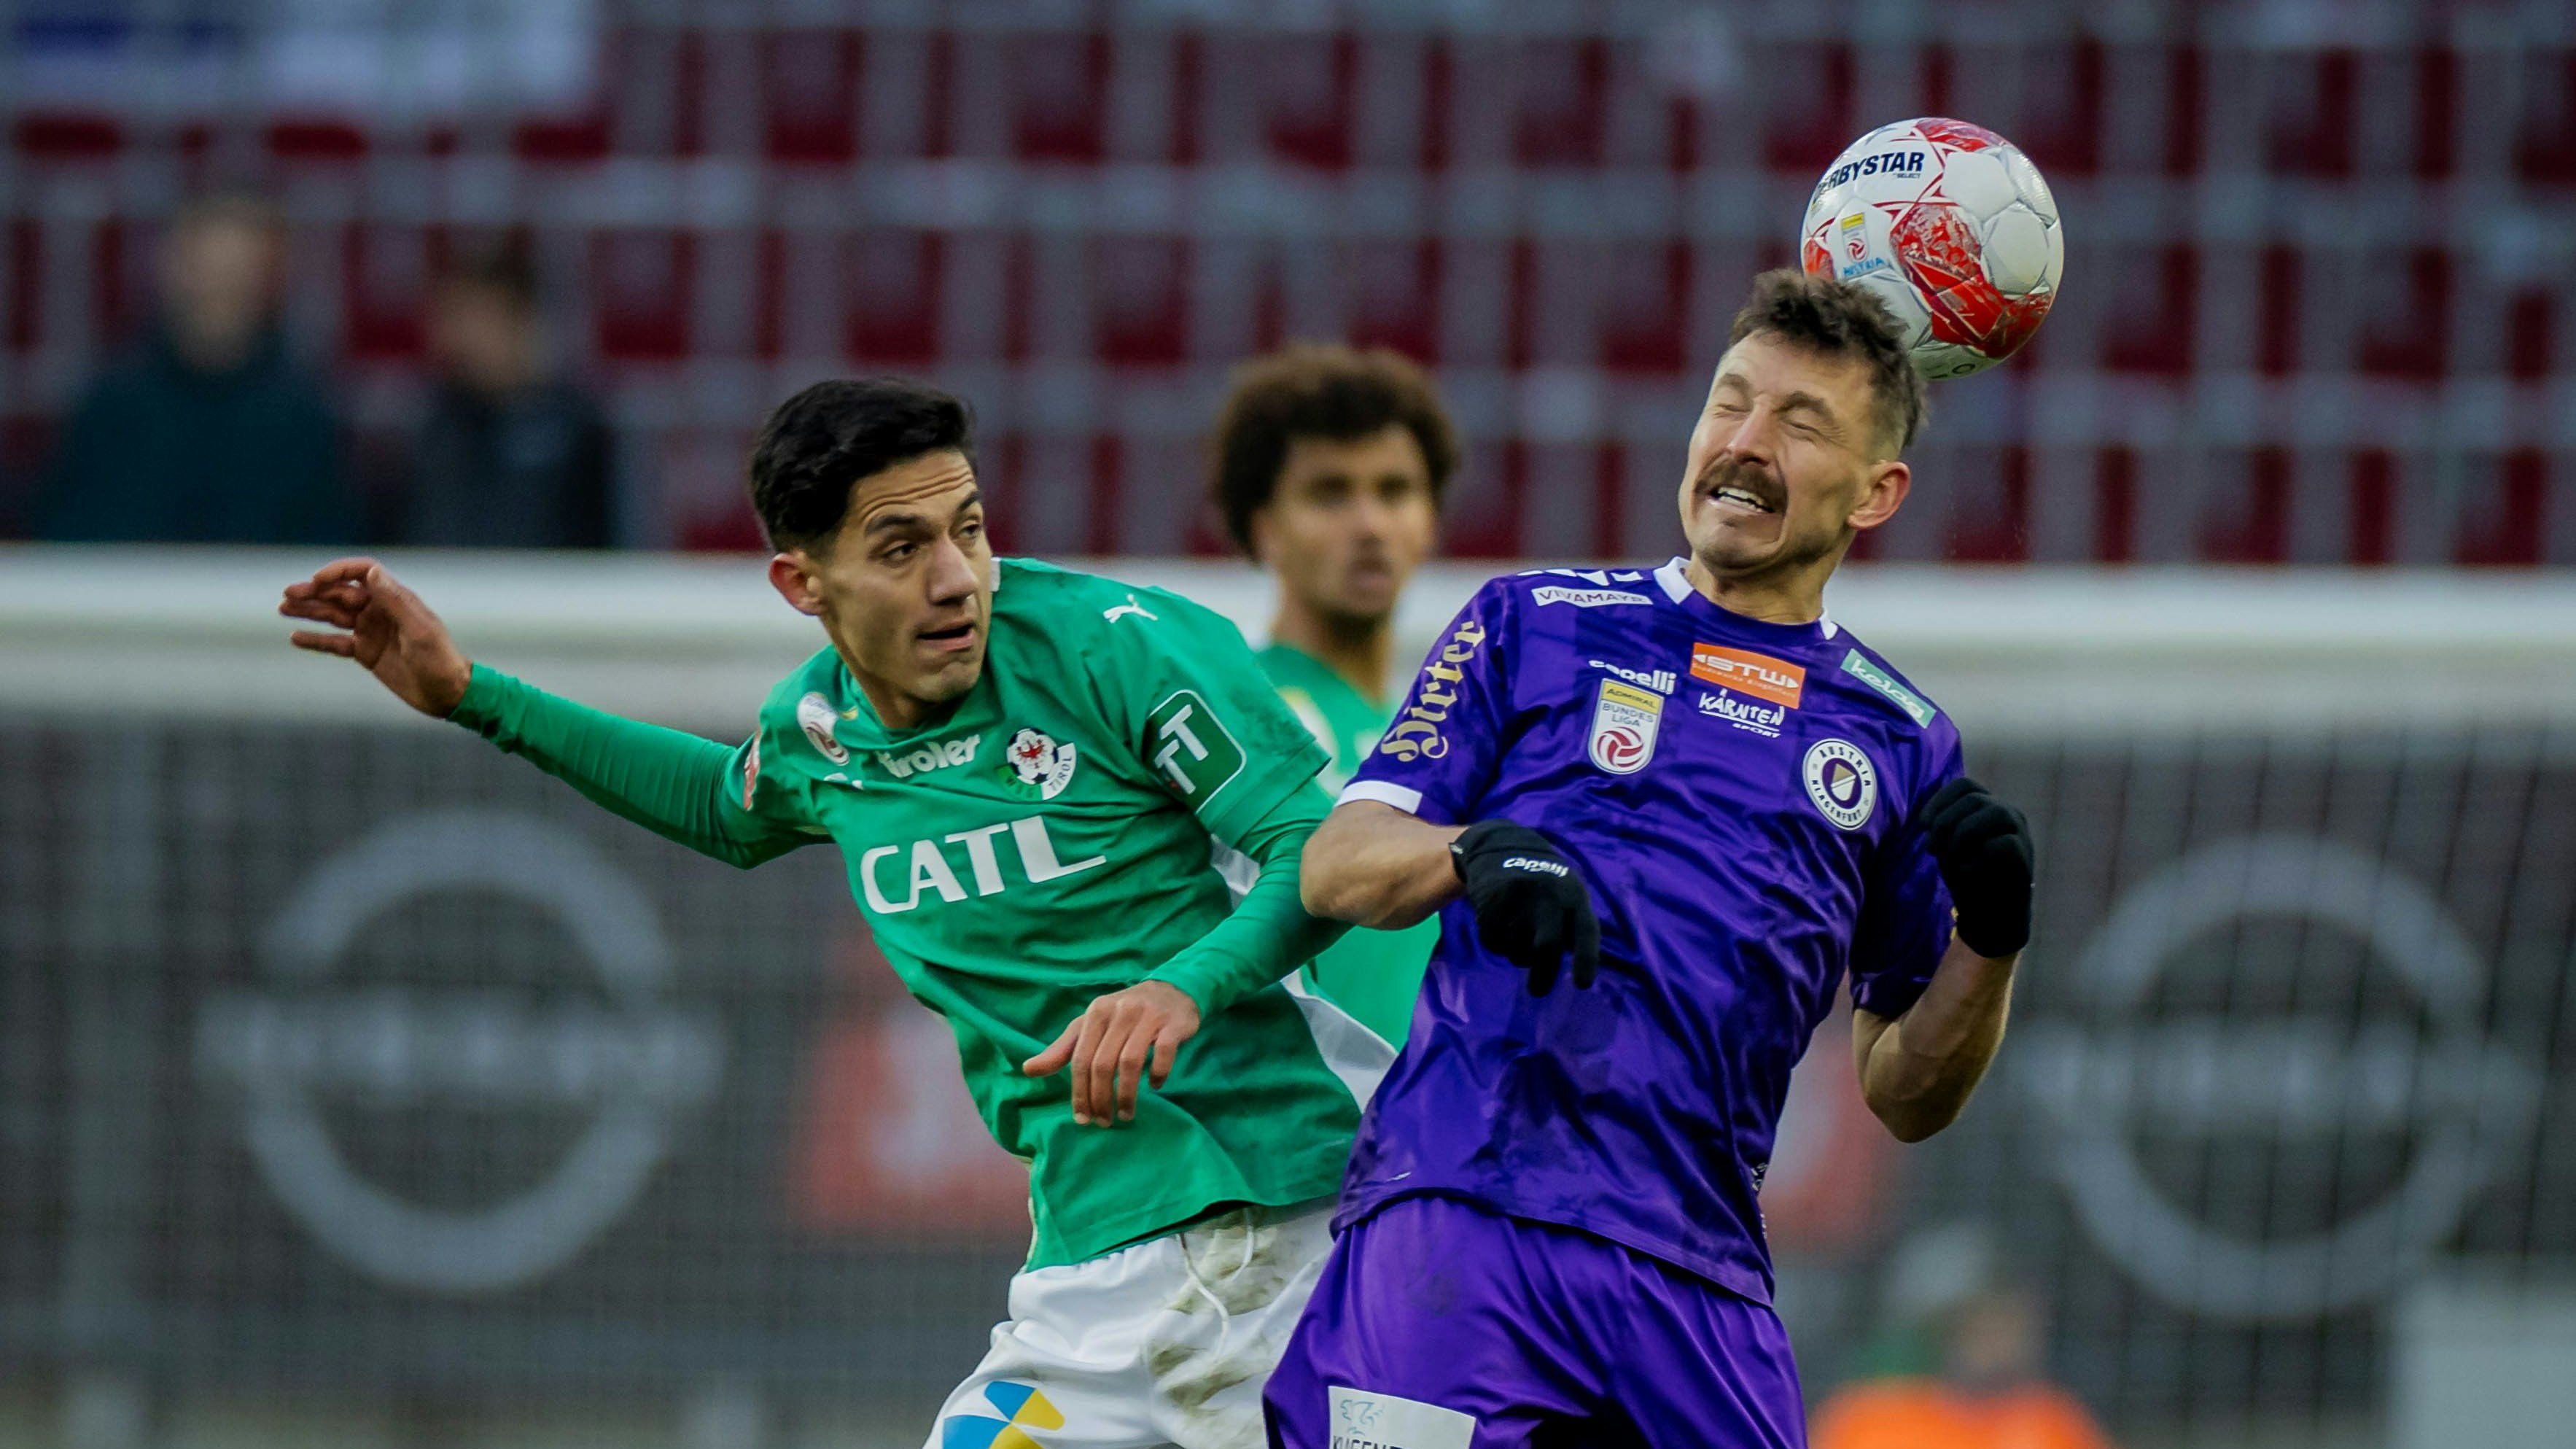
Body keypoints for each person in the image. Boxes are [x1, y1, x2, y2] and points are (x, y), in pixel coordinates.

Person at [280, 379, 1372, 1449]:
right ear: (804, 583)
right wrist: (475, 695)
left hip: (1281, 1210)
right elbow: (725, 805)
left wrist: (1186, 982)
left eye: (970, 529)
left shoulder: (1115, 645)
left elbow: (1313, 852)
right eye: (901, 549)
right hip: (1091, 1264)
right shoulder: (817, 733)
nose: (957, 580)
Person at [1266, 271, 2040, 1448]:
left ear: (1876, 491)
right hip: (1464, 1219)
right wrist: (1472, 852)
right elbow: (1337, 862)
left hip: (1697, 1278)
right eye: (1729, 403)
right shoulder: (1534, 621)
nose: (1743, 443)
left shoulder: (1897, 737)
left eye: (1798, 422)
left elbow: (1905, 1090)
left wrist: (1988, 940)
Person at [1210, 344, 1455, 1061]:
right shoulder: (1226, 707)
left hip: (1428, 1151)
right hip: (1282, 1152)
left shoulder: (1445, 733)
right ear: (1263, 528)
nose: (1369, 524)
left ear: (1429, 520)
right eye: (1329, 493)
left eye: (1394, 490)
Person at [40, 190, 351, 543]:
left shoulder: (304, 417)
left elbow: (324, 553)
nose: (218, 289)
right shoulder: (111, 405)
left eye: (238, 272)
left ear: (271, 279)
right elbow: (63, 547)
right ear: (169, 266)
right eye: (207, 269)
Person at [395, 239, 617, 548]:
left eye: (481, 318)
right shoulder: (433, 430)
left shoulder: (577, 432)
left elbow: (610, 559)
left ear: (522, 322)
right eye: (457, 318)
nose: (465, 337)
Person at [1813, 1224, 2114, 1449]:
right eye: (1977, 1318)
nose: (1998, 1334)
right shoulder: (1866, 1418)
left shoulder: (2052, 1420)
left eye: (2007, 1313)